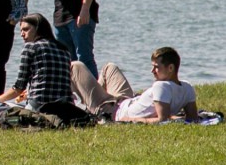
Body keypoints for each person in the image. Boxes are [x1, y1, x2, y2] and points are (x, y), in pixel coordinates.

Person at [70, 47, 198, 124]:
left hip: (112, 111)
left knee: (75, 66)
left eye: (156, 67)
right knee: (110, 67)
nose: (152, 71)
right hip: (126, 100)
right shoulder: (187, 87)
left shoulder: (161, 86)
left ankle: (95, 109)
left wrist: (132, 120)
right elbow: (192, 118)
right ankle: (92, 106)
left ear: (170, 68)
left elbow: (162, 120)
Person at [0, 13, 73, 111]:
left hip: (39, 106)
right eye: (21, 30)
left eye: (26, 29)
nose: (22, 34)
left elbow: (19, 88)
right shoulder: (64, 49)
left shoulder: (30, 47)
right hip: (66, 107)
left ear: (38, 28)